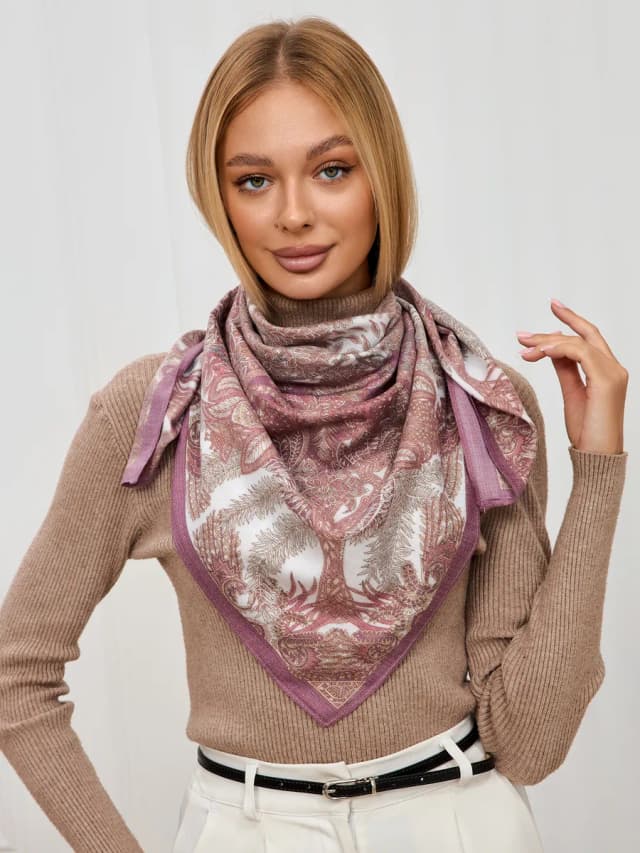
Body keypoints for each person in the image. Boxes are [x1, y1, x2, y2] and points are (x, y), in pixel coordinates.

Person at [0, 16, 628, 853]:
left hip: (459, 823)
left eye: (332, 170)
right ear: (218, 197)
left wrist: (599, 470)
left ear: (382, 177)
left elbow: (533, 741)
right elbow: (17, 673)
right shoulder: (157, 415)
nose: (293, 214)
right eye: (254, 180)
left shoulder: (482, 406)